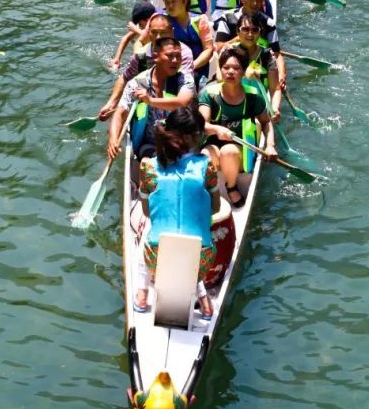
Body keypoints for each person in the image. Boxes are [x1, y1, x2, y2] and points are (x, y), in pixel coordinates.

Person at [132, 108, 226, 318]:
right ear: (193, 137)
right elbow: (216, 208)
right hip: (201, 259)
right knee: (192, 244)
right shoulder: (207, 165)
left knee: (149, 226)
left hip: (157, 256)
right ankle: (205, 303)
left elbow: (147, 212)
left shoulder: (148, 166)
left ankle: (141, 294)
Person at [199, 44, 276, 207]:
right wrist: (218, 129)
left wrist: (270, 146)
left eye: (236, 68)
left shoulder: (253, 96)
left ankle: (231, 187)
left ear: (243, 71)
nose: (230, 72)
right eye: (226, 67)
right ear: (220, 70)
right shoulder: (209, 94)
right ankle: (209, 191)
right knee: (205, 155)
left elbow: (266, 123)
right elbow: (202, 125)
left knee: (228, 151)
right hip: (214, 144)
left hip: (241, 148)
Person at [111, 37, 196, 174]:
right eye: (170, 56)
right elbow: (120, 112)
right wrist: (113, 139)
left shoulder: (185, 79)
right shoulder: (137, 83)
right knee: (151, 165)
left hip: (182, 143)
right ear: (156, 57)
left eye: (178, 56)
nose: (175, 60)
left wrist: (150, 100)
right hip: (150, 144)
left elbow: (182, 102)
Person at [98, 13, 194, 120]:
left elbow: (184, 88)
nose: (158, 37)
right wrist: (111, 103)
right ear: (148, 33)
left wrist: (152, 100)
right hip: (147, 101)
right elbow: (125, 78)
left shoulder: (183, 53)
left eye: (163, 33)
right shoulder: (141, 55)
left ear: (172, 31)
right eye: (154, 32)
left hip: (175, 104)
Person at [159, 0, 213, 82]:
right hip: (171, 70)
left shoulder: (199, 20)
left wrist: (191, 66)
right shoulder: (163, 21)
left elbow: (208, 49)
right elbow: (145, 41)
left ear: (184, 1)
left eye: (174, 1)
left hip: (197, 70)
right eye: (167, 2)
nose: (170, 6)